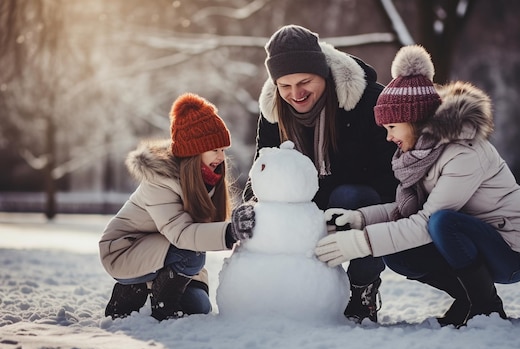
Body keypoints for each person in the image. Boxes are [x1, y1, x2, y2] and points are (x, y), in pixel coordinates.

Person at [315, 45, 520, 328]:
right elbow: (404, 212)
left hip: (513, 251)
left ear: (414, 121)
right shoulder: (419, 155)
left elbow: (426, 222)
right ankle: (467, 299)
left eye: (392, 127)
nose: (388, 138)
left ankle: (487, 307)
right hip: (474, 239)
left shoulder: (463, 152)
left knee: (442, 222)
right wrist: (358, 219)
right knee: (399, 254)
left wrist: (360, 243)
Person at [242, 24, 398, 323]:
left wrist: (344, 217)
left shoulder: (368, 102)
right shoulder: (274, 111)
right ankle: (294, 293)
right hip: (305, 204)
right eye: (285, 86)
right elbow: (266, 167)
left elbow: (388, 176)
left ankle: (362, 287)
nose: (295, 94)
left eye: (304, 82)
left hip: (359, 204)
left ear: (323, 73)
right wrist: (251, 207)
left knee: (352, 195)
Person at [99, 93, 255, 321]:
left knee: (199, 307)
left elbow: (199, 234)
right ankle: (146, 299)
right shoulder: (159, 181)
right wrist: (230, 232)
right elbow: (182, 235)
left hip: (164, 251)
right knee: (192, 255)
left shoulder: (206, 179)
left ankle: (147, 288)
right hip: (125, 250)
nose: (222, 157)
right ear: (195, 152)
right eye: (215, 150)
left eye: (223, 149)